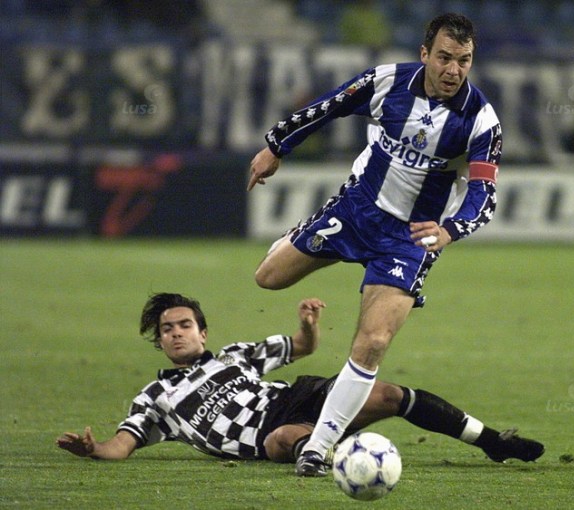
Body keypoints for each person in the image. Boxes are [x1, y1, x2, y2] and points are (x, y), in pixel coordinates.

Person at [247, 13, 519, 476]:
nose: (454, 70)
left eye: (464, 60)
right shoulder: (387, 81)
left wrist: (451, 230)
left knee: (373, 341)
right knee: (268, 278)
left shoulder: (481, 121)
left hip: (409, 239)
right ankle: (303, 234)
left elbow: (484, 193)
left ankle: (318, 448)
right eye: (445, 58)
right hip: (356, 211)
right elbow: (329, 106)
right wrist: (276, 146)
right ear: (425, 54)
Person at [56, 293, 544, 466]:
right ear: (159, 341)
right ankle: (338, 459)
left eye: (185, 325)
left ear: (203, 332)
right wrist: (93, 449)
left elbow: (302, 347)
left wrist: (308, 326)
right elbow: (122, 446)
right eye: (168, 329)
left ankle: (491, 442)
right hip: (265, 437)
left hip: (299, 395)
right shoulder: (157, 396)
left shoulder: (236, 356)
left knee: (392, 395)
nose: (177, 333)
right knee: (284, 439)